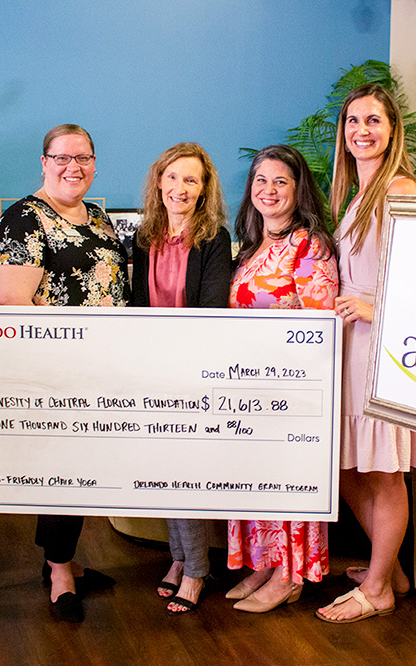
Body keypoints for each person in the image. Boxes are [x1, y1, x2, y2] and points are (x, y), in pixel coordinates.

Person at [0, 124, 127, 622]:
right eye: (63, 158)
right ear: (43, 162)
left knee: (85, 471)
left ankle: (63, 558)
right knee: (65, 470)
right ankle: (60, 571)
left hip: (104, 366)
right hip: (56, 370)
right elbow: (14, 304)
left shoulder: (99, 218)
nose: (74, 167)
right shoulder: (24, 219)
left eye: (84, 157)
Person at [315, 84, 416, 624]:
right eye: (353, 121)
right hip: (352, 350)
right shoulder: (358, 193)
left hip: (381, 348)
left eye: (373, 121)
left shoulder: (402, 189)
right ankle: (391, 570)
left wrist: (371, 309)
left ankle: (380, 587)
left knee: (383, 474)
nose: (361, 130)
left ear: (392, 130)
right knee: (349, 468)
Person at [226, 145, 338, 613]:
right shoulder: (253, 246)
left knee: (287, 483)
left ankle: (290, 575)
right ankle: (265, 563)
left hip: (292, 388)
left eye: (280, 182)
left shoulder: (310, 245)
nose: (268, 190)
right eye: (261, 181)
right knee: (257, 482)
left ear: (298, 190)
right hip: (249, 385)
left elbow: (320, 321)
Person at [131, 142, 232, 615]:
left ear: (204, 188)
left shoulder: (215, 238)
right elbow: (135, 309)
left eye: (191, 180)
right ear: (159, 182)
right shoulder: (145, 235)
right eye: (173, 177)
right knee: (163, 472)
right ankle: (177, 560)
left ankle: (196, 571)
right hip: (150, 369)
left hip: (191, 371)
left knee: (183, 475)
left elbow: (211, 311)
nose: (180, 187)